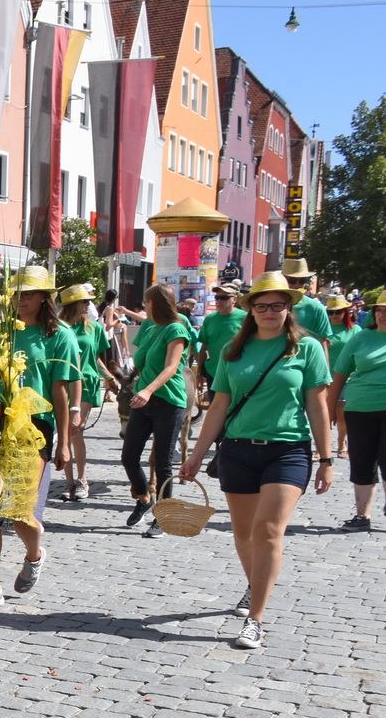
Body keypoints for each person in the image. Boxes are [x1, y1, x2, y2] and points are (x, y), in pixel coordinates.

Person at [181, 272, 333, 649]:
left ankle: (255, 618)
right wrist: (196, 456)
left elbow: (317, 405)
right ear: (251, 310)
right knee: (244, 534)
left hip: (288, 450)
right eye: (262, 306)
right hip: (238, 450)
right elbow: (219, 406)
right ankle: (256, 584)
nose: (269, 312)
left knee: (268, 531)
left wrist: (327, 458)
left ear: (289, 308)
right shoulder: (234, 349)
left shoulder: (306, 349)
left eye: (277, 305)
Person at [0, 266, 79, 613]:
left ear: (44, 298)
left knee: (20, 510)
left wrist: (64, 441)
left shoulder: (60, 336)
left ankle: (34, 554)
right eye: (16, 295)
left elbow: (60, 393)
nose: (22, 301)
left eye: (30, 294)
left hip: (36, 426)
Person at [121, 284, 193, 538]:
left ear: (156, 303)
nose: (144, 305)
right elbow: (142, 362)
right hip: (144, 400)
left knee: (162, 463)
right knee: (129, 456)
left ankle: (163, 517)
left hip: (168, 401)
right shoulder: (151, 328)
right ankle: (143, 497)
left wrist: (148, 390)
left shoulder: (176, 329)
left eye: (146, 301)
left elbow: (171, 367)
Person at [59, 283, 117, 502]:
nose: (89, 304)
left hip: (86, 382)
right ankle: (69, 481)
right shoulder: (58, 327)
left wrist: (109, 377)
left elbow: (96, 358)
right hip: (63, 382)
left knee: (75, 429)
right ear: (74, 303)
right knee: (65, 433)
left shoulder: (94, 328)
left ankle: (81, 479)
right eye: (85, 301)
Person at [332, 295, 385, 531]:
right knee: (362, 461)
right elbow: (340, 374)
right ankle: (362, 516)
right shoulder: (360, 338)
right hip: (359, 407)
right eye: (379, 309)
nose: (382, 314)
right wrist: (329, 408)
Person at [193, 283, 244, 409]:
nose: (219, 301)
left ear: (234, 299)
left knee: (235, 409)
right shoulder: (210, 319)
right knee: (215, 408)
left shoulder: (245, 318)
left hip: (237, 372)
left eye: (224, 298)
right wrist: (199, 373)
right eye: (217, 298)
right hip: (213, 371)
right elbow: (204, 346)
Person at [322, 293, 355, 458]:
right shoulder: (323, 329)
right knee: (323, 414)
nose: (334, 315)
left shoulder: (354, 330)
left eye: (338, 312)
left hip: (347, 378)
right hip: (324, 377)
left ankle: (342, 445)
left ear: (346, 312)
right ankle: (324, 449)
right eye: (330, 312)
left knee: (342, 415)